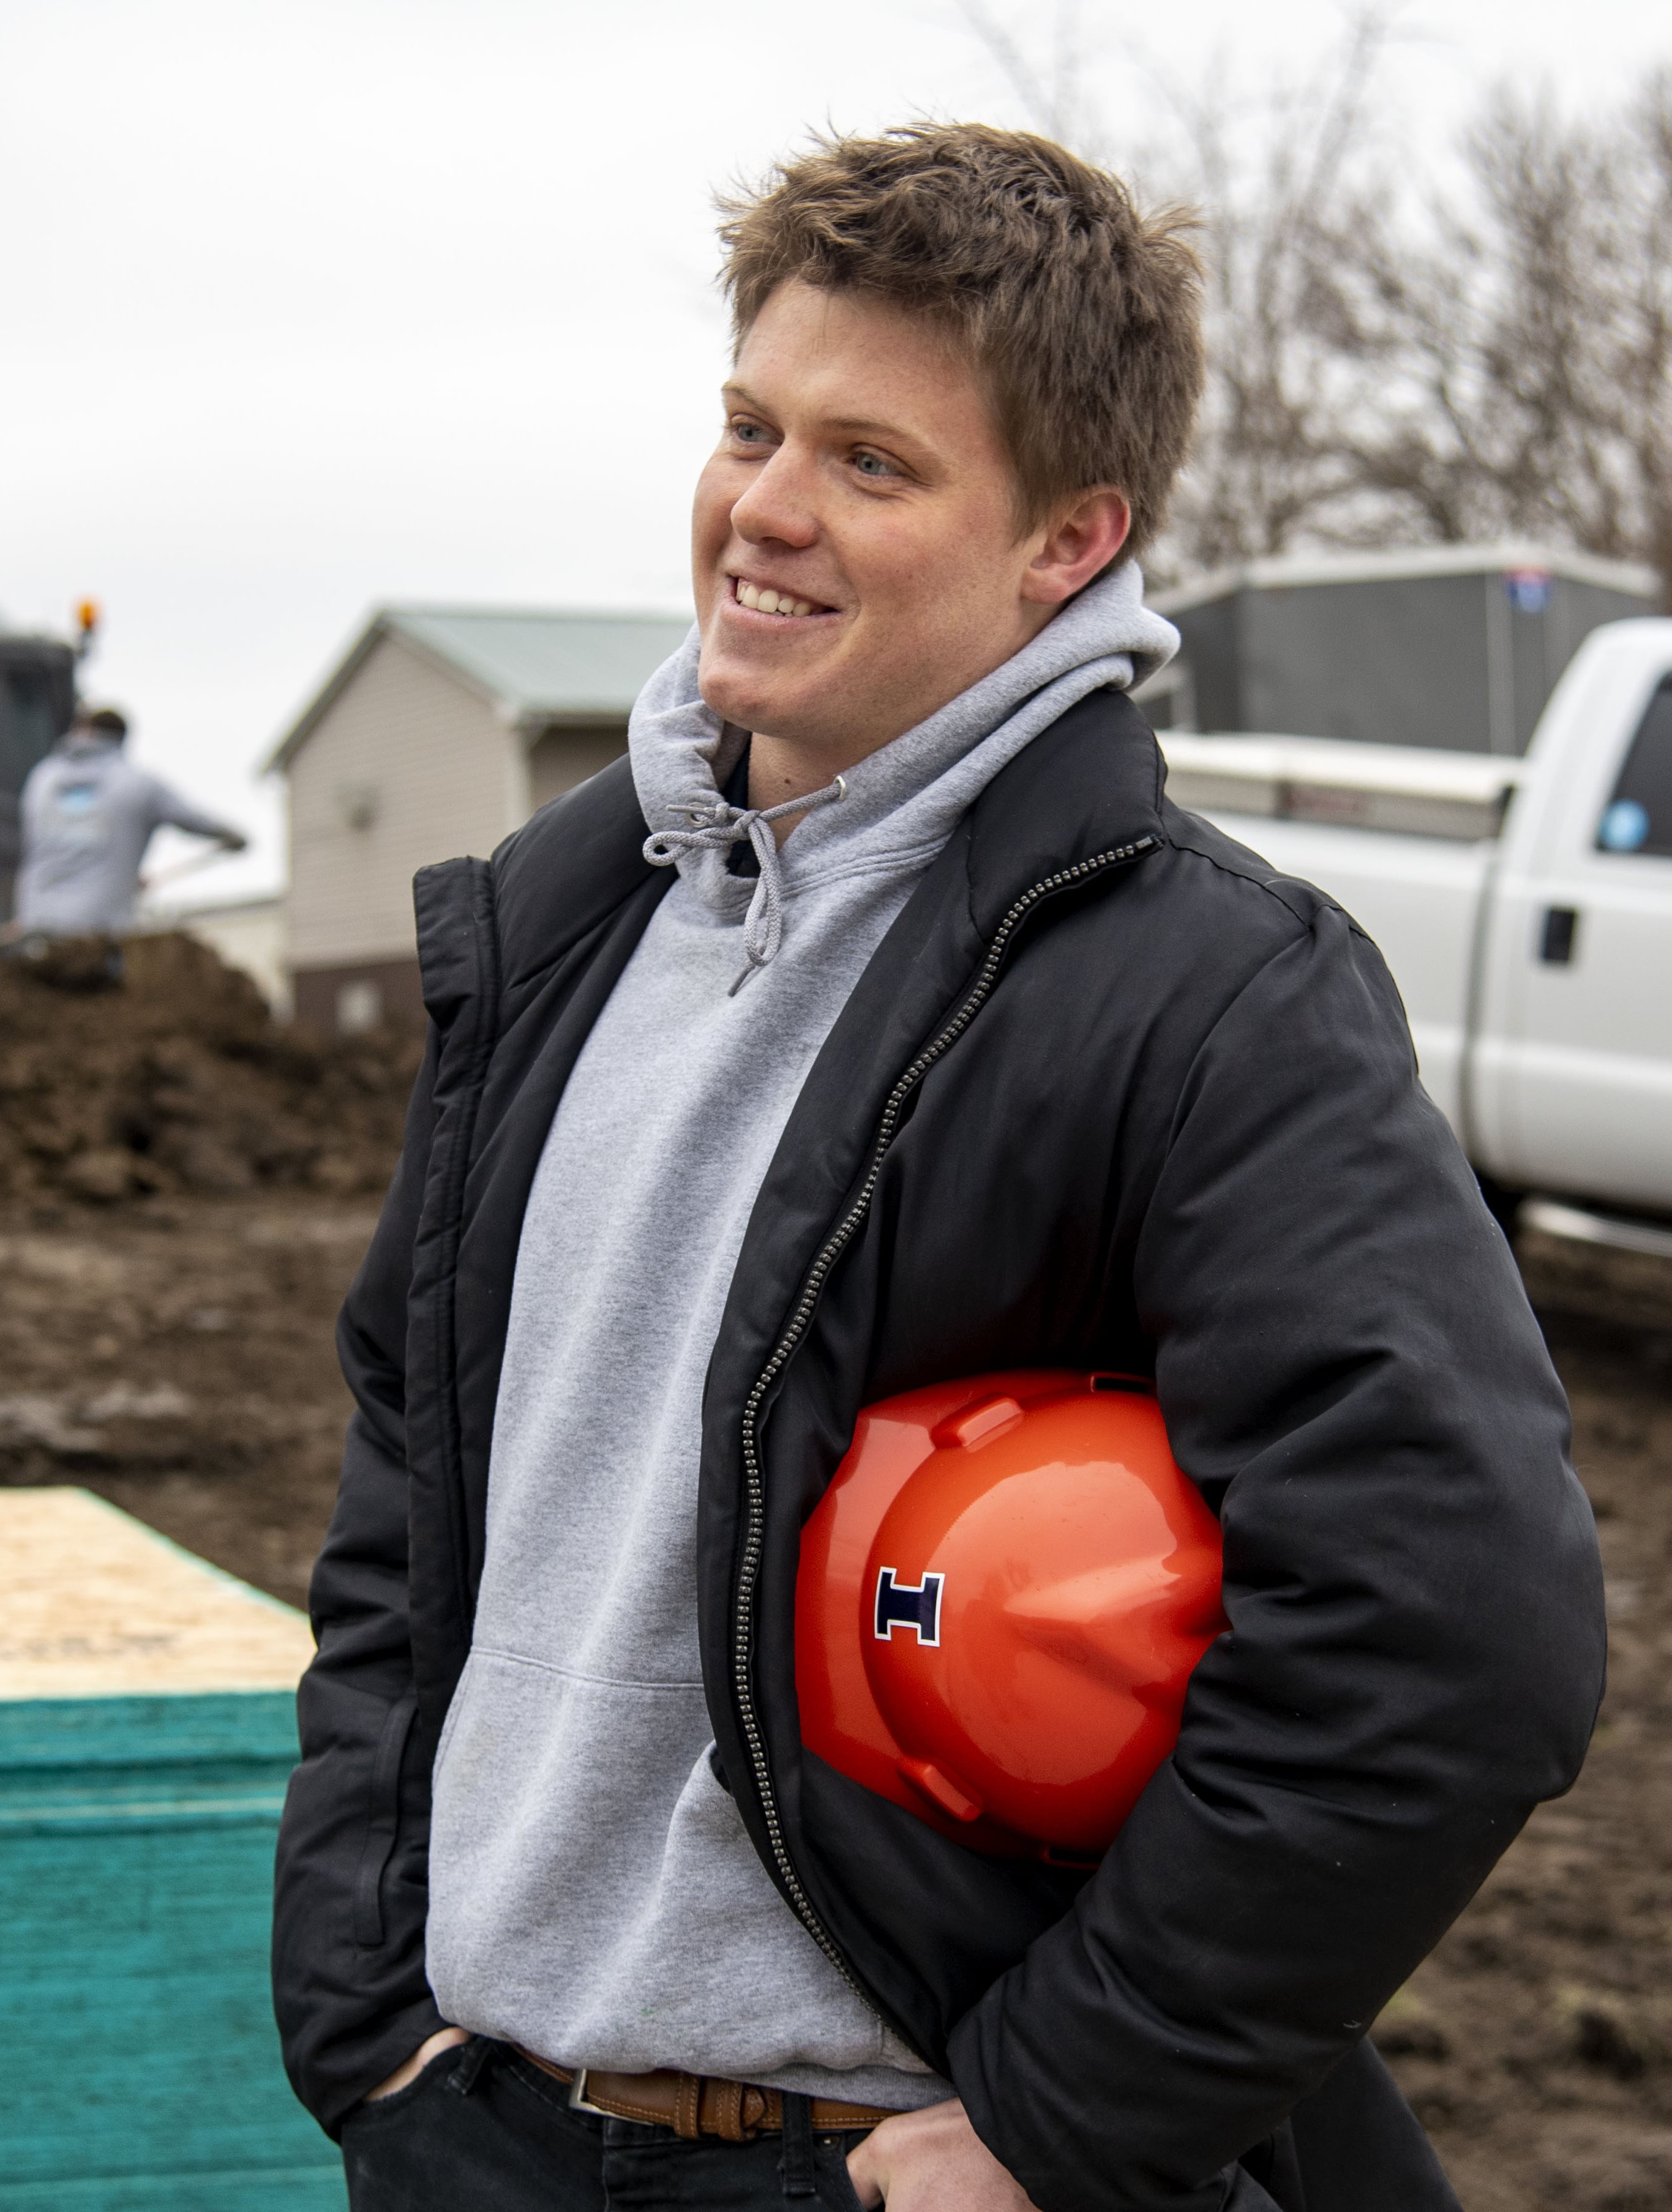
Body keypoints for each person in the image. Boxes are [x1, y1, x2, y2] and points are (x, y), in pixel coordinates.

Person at [272, 125, 1604, 2212]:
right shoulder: (551, 932)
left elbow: (1455, 1620)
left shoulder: (1204, 993)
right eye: (746, 427)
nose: (764, 511)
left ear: (1070, 542)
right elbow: (407, 1500)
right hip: (478, 2132)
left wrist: (1060, 2118)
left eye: (871, 466)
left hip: (867, 2165)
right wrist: (371, 2012)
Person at [13, 704, 246, 938]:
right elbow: (194, 819)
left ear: (81, 731)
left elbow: (53, 843)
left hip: (36, 917)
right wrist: (234, 837)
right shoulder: (138, 783)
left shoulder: (43, 778)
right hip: (100, 926)